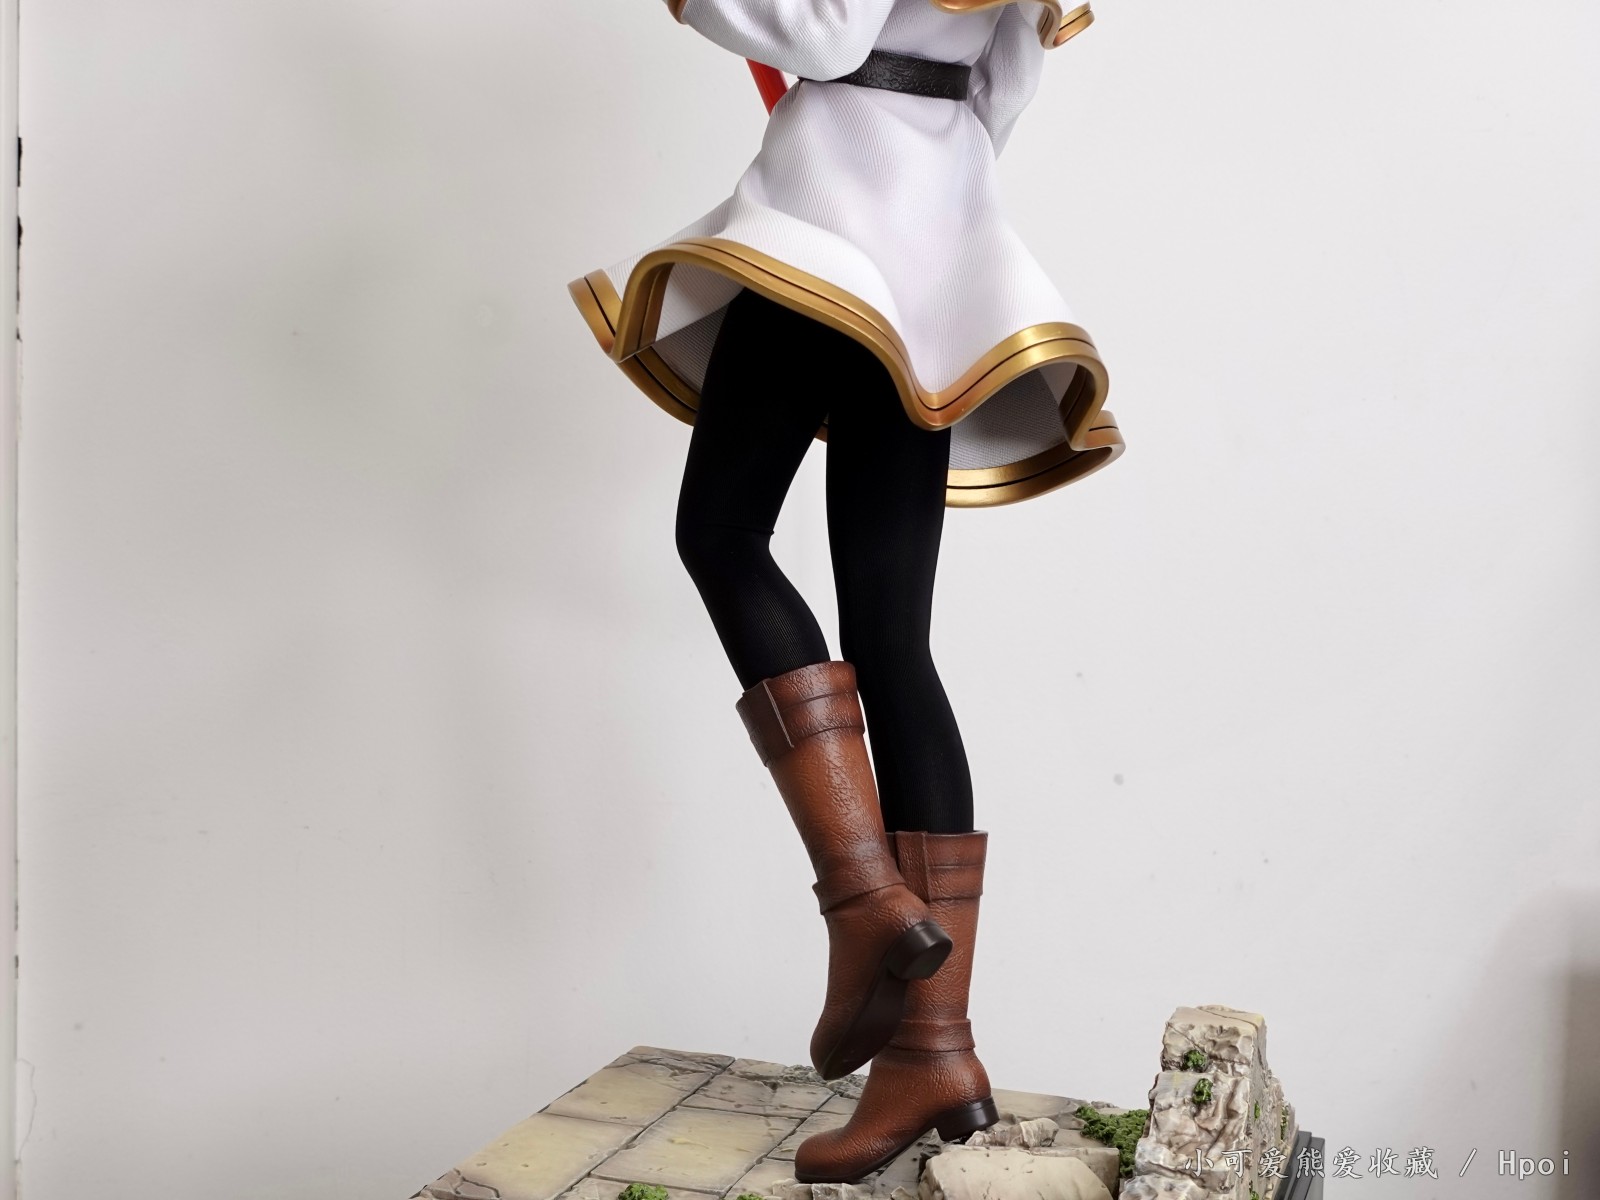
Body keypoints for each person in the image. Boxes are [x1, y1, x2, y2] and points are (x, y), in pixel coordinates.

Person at [568, 0, 1122, 1182]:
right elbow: (1006, 83)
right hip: (939, 240)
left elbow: (825, 35)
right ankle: (934, 1048)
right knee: (893, 637)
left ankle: (868, 899)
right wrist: (929, 175)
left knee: (721, 535)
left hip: (829, 220)